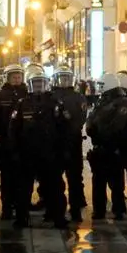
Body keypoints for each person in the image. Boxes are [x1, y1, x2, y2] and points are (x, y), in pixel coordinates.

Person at [10, 64, 69, 229]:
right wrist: (15, 150)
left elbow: (63, 128)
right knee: (23, 188)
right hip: (27, 153)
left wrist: (62, 150)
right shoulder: (22, 104)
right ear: (30, 84)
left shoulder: (54, 103)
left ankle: (57, 216)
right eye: (35, 83)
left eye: (41, 83)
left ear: (46, 84)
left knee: (54, 187)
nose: (38, 86)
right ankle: (21, 217)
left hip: (49, 153)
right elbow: (13, 129)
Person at [86, 73, 127, 220]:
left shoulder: (121, 102)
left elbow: (117, 125)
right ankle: (99, 210)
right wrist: (91, 129)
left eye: (101, 85)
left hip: (113, 147)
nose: (99, 88)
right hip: (100, 147)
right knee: (98, 182)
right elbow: (91, 119)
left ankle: (118, 209)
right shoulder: (103, 100)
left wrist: (100, 134)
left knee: (116, 183)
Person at [52, 66, 88, 221]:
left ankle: (75, 209)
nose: (64, 81)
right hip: (56, 141)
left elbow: (82, 117)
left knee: (75, 177)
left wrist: (70, 122)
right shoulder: (51, 96)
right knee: (55, 177)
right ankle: (57, 209)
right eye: (62, 78)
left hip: (73, 140)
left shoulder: (79, 97)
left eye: (67, 78)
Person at [0, 64, 26, 220]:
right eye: (14, 77)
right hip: (6, 141)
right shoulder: (0, 96)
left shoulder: (27, 93)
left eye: (19, 77)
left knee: (23, 176)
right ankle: (7, 206)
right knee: (7, 176)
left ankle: (21, 205)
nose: (17, 79)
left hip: (23, 142)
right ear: (8, 78)